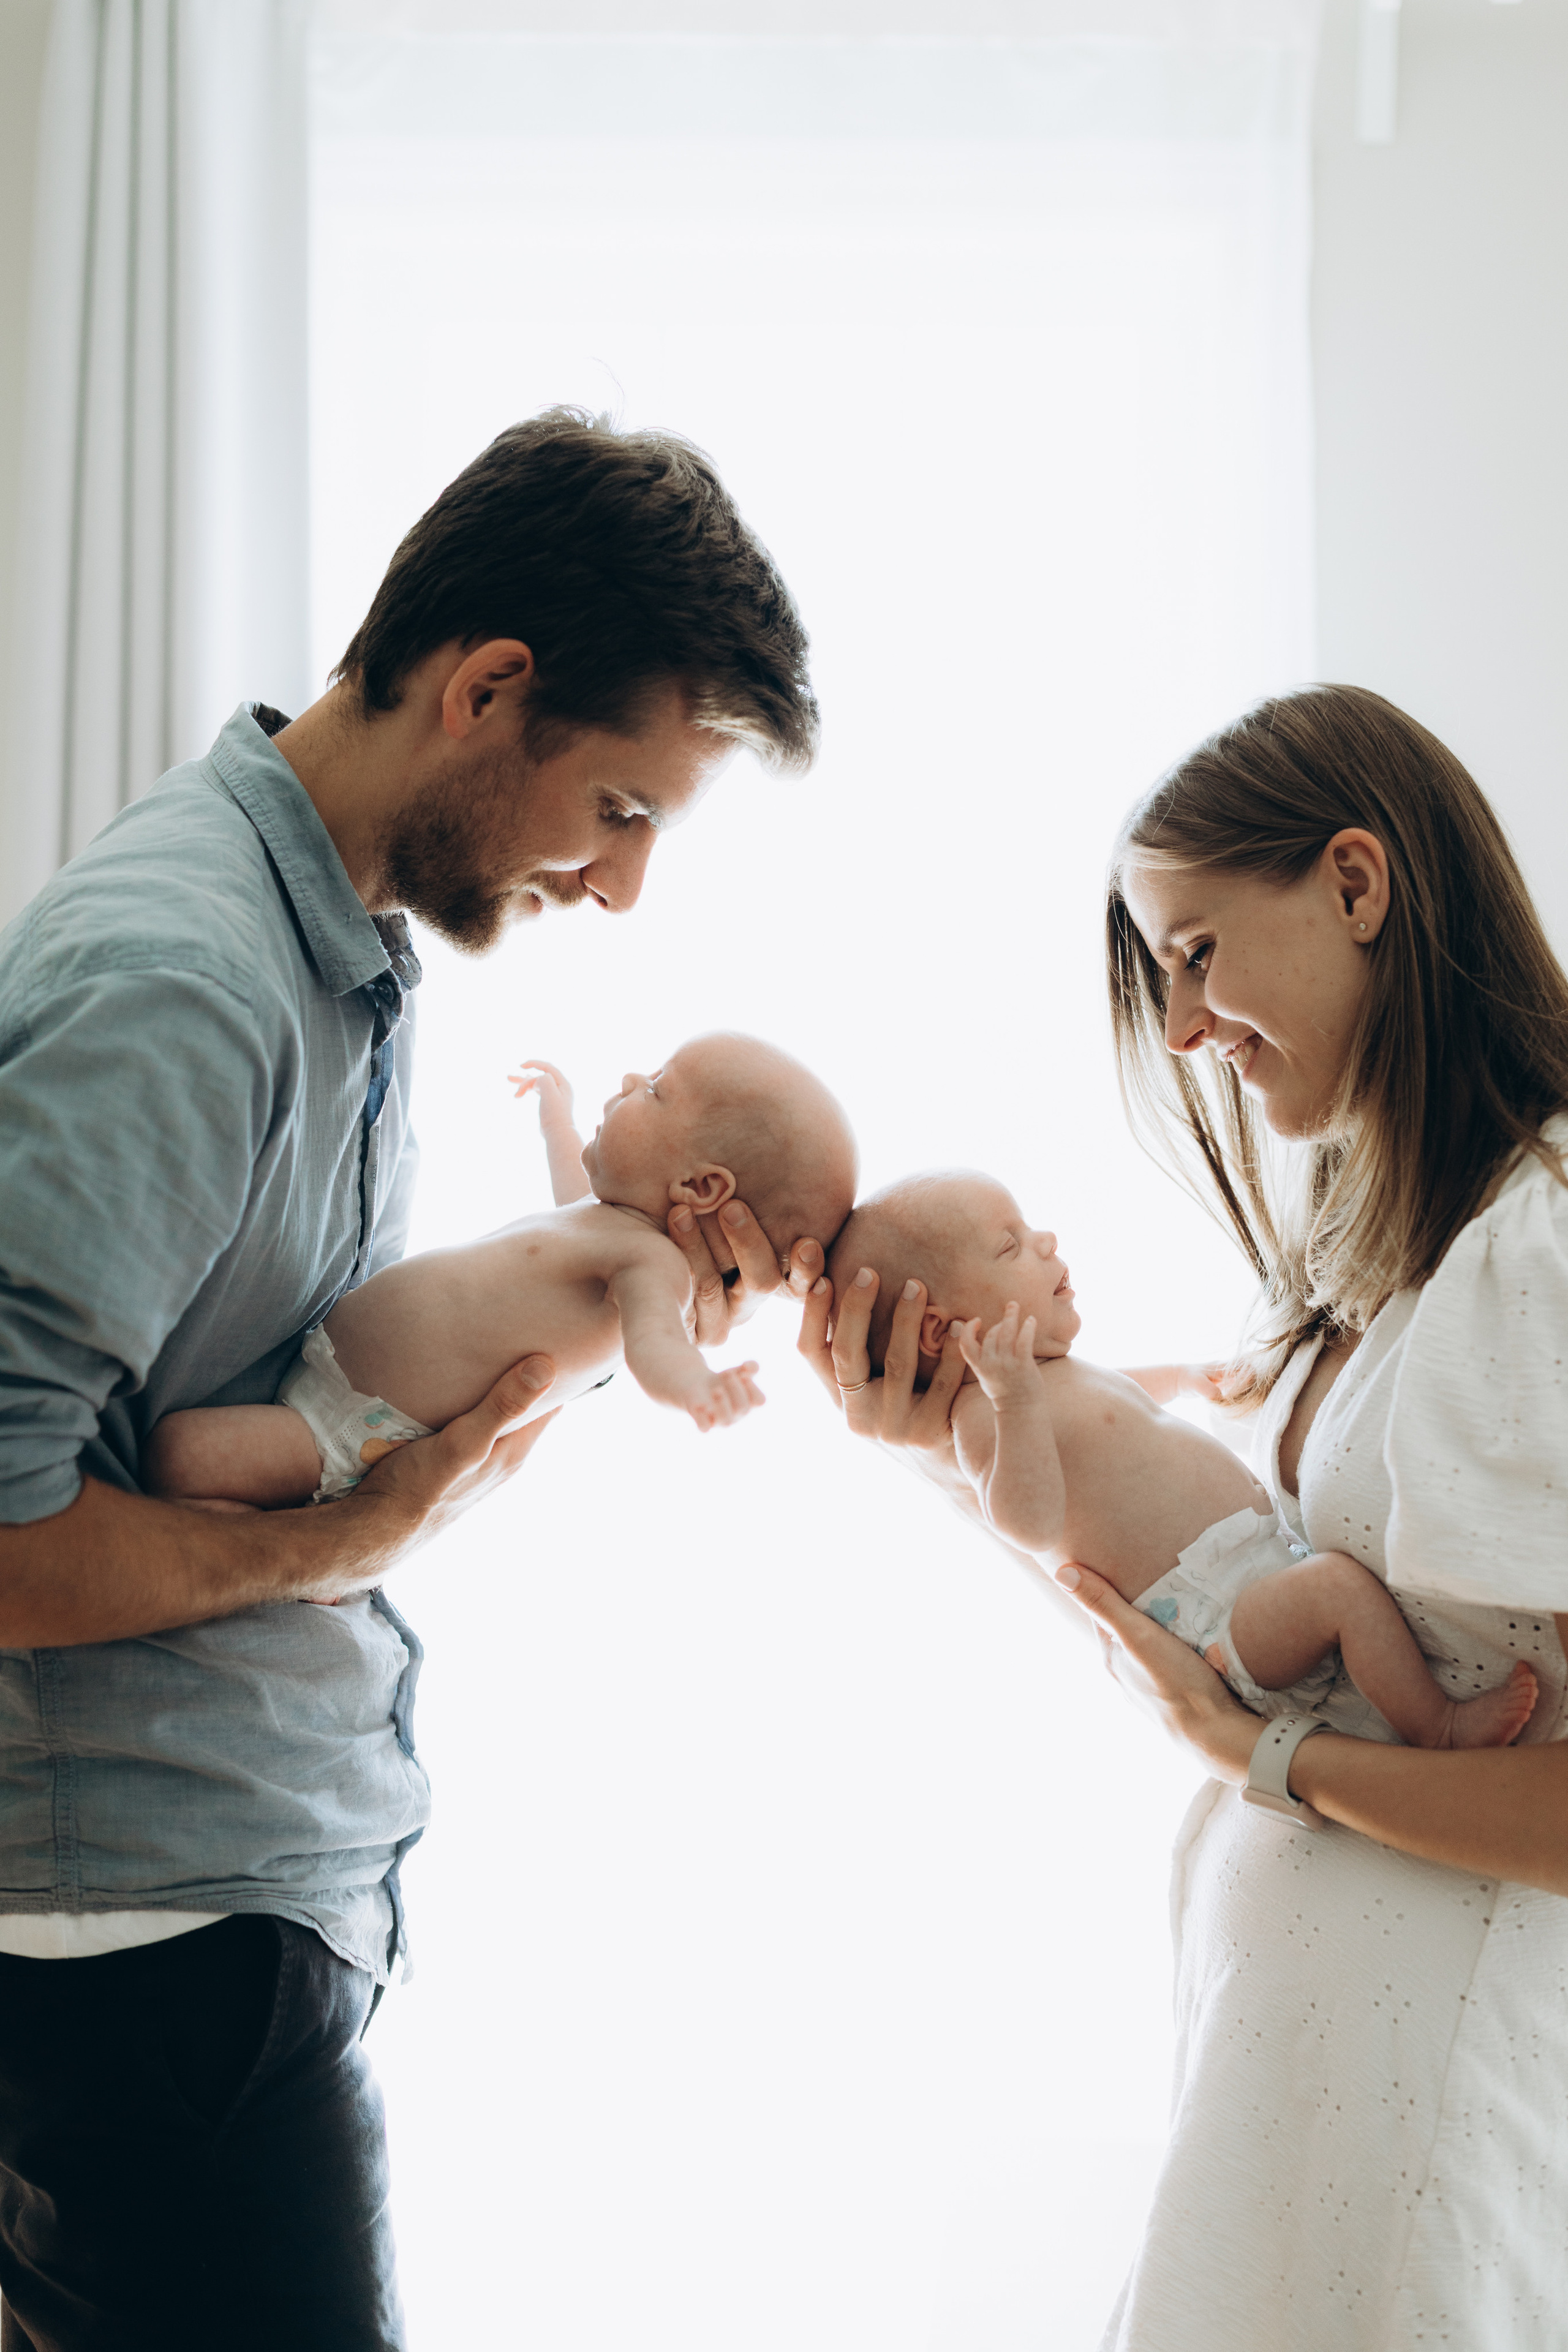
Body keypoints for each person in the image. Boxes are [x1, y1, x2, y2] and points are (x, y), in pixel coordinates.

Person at [0, 410, 829, 2352]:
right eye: (620, 807)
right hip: (155, 1948)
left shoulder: (337, 959)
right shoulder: (190, 982)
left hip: (215, 1916)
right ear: (488, 691)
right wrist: (363, 1530)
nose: (621, 887)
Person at [800, 684, 1568, 2349]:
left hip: (1420, 2104)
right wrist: (936, 1449)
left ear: (1357, 885)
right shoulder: (1396, 1253)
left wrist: (1268, 1764)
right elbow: (1156, 1573)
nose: (1184, 1028)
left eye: (1199, 954)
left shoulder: (1532, 1247)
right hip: (1318, 2082)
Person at [828, 1170, 1539, 1751]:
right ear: (939, 1329)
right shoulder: (984, 1413)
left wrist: (1185, 1376)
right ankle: (1436, 1726)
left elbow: (1120, 1401)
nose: (1045, 1241)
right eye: (1009, 1246)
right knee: (1341, 1590)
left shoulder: (1054, 1374)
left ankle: (1396, 1721)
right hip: (1218, 1618)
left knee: (1342, 1588)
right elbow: (1028, 1522)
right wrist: (1011, 1402)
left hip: (1254, 1572)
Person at [146, 1033, 857, 1503]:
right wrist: (559, 1119)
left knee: (177, 1457)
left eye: (656, 1090)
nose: (632, 1077)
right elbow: (570, 1183)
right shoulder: (606, 1226)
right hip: (333, 1387)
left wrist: (696, 1387)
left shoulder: (651, 1268)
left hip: (344, 1431)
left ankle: (293, 1557)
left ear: (701, 1189)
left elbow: (655, 1345)